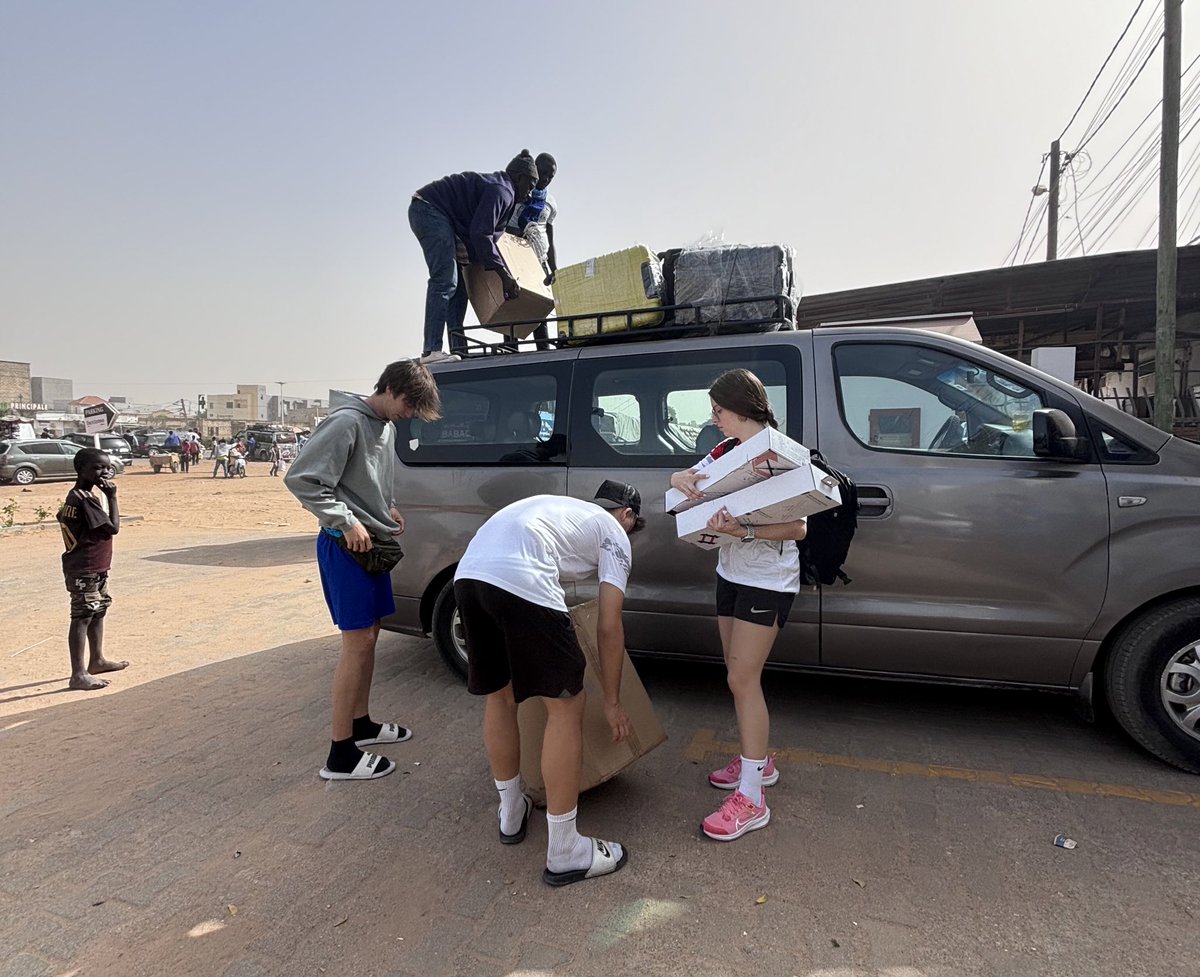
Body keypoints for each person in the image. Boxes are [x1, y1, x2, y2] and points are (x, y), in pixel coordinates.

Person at [453, 481, 645, 887]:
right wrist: (612, 701)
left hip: (468, 574)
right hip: (519, 576)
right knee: (565, 706)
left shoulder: (564, 511)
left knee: (500, 696)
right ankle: (565, 850)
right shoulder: (615, 534)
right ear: (627, 516)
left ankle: (510, 812)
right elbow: (610, 627)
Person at [285, 360, 442, 781]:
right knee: (356, 643)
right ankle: (340, 755)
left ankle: (361, 724)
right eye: (409, 405)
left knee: (371, 635)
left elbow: (369, 482)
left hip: (373, 544)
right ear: (389, 389)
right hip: (345, 546)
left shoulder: (385, 427)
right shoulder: (346, 423)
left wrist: (386, 508)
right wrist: (345, 520)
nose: (410, 415)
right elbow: (302, 479)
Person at [669, 369, 807, 843]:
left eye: (718, 411)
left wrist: (741, 532)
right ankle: (758, 760)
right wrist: (680, 476)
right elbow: (690, 478)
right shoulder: (728, 452)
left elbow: (798, 530)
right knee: (735, 671)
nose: (714, 420)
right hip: (730, 573)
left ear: (742, 406)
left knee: (741, 678)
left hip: (768, 581)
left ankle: (752, 798)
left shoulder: (781, 453)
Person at [410, 151, 540, 364]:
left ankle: (459, 350)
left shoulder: (504, 195)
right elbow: (481, 234)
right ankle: (431, 350)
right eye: (530, 186)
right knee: (445, 279)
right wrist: (504, 276)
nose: (529, 194)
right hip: (429, 210)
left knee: (460, 291)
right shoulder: (503, 191)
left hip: (447, 222)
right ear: (518, 178)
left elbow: (489, 239)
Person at [57, 447, 129, 691]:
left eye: (107, 467)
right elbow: (113, 527)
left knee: (98, 610)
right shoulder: (85, 499)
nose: (104, 472)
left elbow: (61, 516)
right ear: (81, 470)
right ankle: (78, 674)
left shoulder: (76, 496)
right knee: (82, 615)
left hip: (94, 565)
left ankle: (96, 660)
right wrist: (113, 497)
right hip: (84, 567)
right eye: (97, 467)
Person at [506, 152, 559, 351]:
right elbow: (500, 225)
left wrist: (553, 268)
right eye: (542, 173)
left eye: (550, 176)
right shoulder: (516, 192)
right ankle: (510, 349)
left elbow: (550, 237)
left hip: (538, 259)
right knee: (512, 301)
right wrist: (521, 232)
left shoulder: (550, 203)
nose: (545, 179)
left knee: (539, 304)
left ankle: (542, 349)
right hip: (513, 254)